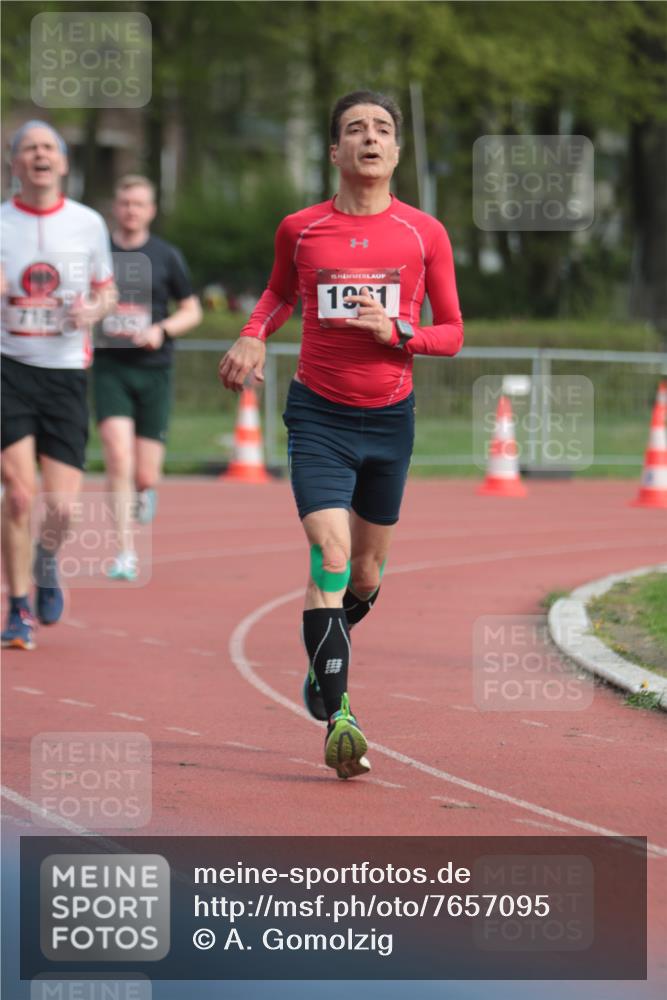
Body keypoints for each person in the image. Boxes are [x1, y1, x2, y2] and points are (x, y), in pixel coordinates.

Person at [219, 90, 464, 779]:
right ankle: (339, 715)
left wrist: (398, 331)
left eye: (382, 129)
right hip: (318, 415)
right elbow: (276, 295)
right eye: (355, 129)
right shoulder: (300, 228)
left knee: (365, 573)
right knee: (328, 553)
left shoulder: (424, 234)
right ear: (335, 150)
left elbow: (452, 332)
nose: (369, 138)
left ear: (395, 150)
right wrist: (250, 335)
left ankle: (325, 654)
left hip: (390, 419)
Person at [1, 120, 116, 650]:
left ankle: (46, 562)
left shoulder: (88, 223)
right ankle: (18, 608)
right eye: (29, 148)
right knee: (20, 497)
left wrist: (91, 309)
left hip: (67, 372)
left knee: (63, 509)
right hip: (9, 367)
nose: (39, 155)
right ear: (15, 163)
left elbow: (107, 292)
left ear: (63, 163)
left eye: (49, 147)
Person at [92, 175, 202, 580]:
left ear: (151, 210)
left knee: (145, 474)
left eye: (138, 204)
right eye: (124, 204)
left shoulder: (167, 256)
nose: (131, 211)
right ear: (115, 209)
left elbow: (192, 310)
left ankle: (145, 490)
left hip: (154, 369)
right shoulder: (98, 253)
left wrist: (162, 330)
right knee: (117, 456)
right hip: (110, 367)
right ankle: (125, 553)